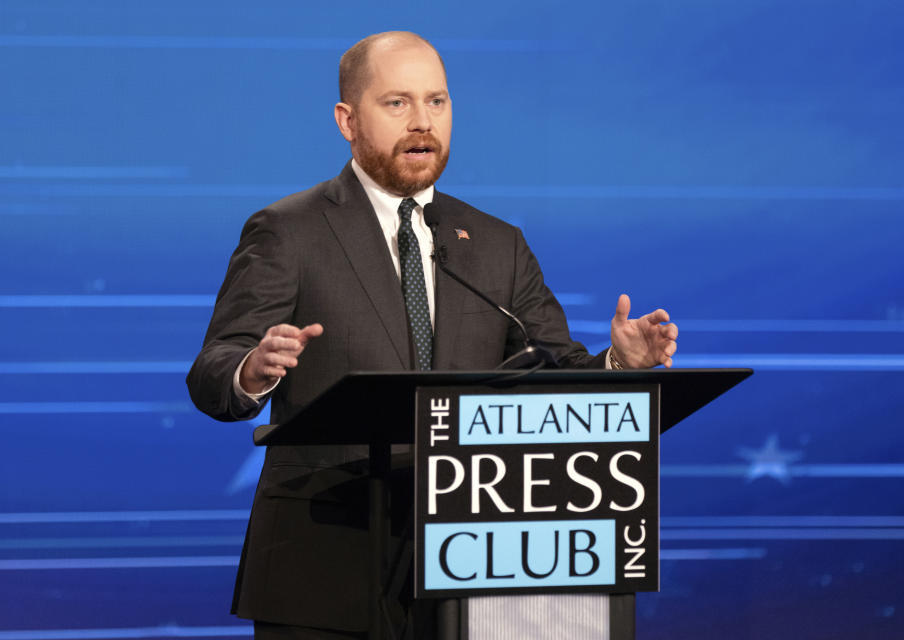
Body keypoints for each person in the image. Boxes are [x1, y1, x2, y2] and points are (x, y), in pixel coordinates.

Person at [187, 31, 677, 639]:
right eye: (397, 103)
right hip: (323, 568)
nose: (423, 122)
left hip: (475, 572)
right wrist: (251, 371)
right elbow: (213, 372)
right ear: (347, 119)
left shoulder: (498, 244)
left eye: (436, 102)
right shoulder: (289, 230)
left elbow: (551, 375)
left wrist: (616, 369)